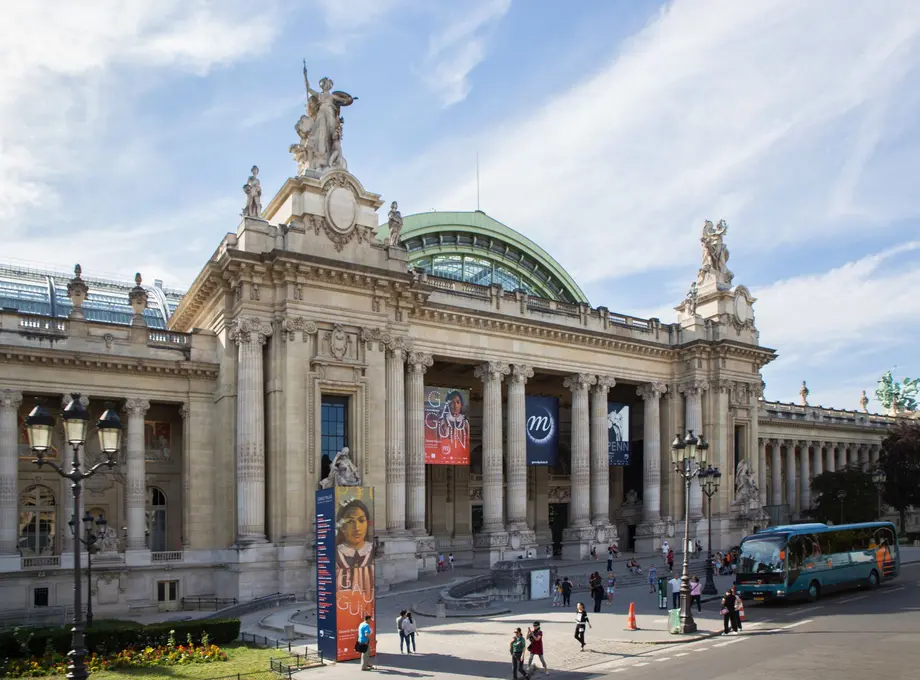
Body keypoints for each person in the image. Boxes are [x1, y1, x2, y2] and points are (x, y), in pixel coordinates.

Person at [335, 498, 374, 595]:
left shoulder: (373, 551)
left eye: (361, 520)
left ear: (367, 523)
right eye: (350, 522)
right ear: (342, 527)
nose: (357, 528)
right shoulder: (335, 555)